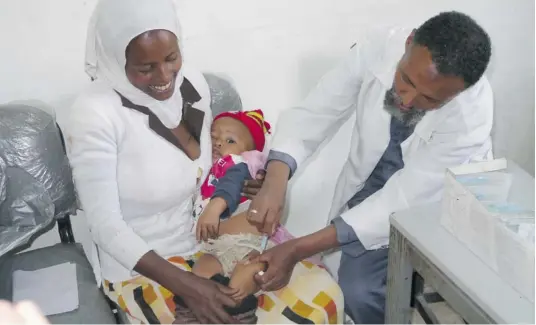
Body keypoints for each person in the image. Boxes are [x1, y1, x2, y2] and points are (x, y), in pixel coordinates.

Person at [67, 0, 343, 323]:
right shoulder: (95, 114)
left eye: (172, 58)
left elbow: (206, 164)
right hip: (143, 266)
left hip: (210, 242)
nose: (164, 76)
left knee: (323, 294)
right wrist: (189, 286)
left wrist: (248, 183)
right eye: (145, 68)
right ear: (116, 58)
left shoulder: (191, 85)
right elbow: (105, 226)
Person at [248, 11, 493, 324]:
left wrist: (298, 248)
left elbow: (404, 198)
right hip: (372, 186)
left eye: (429, 99)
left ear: (456, 94)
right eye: (405, 79)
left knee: (359, 291)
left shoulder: (470, 116)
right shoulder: (379, 45)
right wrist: (275, 179)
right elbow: (317, 111)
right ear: (407, 43)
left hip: (430, 203)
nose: (406, 99)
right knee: (341, 278)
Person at [175, 109, 272, 323]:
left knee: (246, 277)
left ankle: (236, 314)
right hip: (215, 247)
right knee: (198, 274)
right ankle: (189, 313)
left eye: (230, 140)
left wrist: (214, 208)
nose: (219, 144)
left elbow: (232, 185)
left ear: (249, 151)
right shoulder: (210, 168)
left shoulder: (240, 163)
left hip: (245, 245)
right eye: (214, 138)